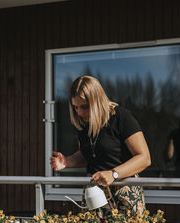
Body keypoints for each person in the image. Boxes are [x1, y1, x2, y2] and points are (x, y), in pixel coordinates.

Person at [50, 75, 151, 215]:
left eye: (84, 107)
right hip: (95, 190)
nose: (79, 112)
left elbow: (144, 158)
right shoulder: (83, 124)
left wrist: (113, 174)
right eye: (76, 107)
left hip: (124, 187)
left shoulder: (121, 117)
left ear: (97, 101)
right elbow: (88, 154)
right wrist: (67, 161)